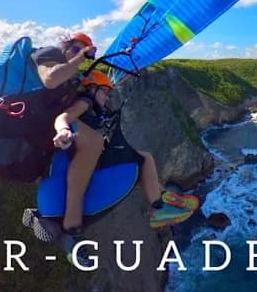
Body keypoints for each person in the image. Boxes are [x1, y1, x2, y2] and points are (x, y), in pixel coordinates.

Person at [56, 71, 198, 227]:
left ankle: (162, 198)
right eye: (104, 92)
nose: (107, 96)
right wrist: (63, 130)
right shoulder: (86, 101)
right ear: (92, 88)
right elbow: (64, 117)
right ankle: (159, 206)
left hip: (94, 155)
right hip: (90, 159)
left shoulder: (94, 106)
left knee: (144, 158)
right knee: (145, 159)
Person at [31, 33, 106, 247]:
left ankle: (48, 218)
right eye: (74, 48)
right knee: (91, 143)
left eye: (82, 50)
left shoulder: (74, 82)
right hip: (40, 125)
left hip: (51, 130)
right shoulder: (48, 53)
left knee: (65, 161)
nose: (78, 54)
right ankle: (71, 225)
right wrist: (82, 56)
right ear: (65, 46)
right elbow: (51, 79)